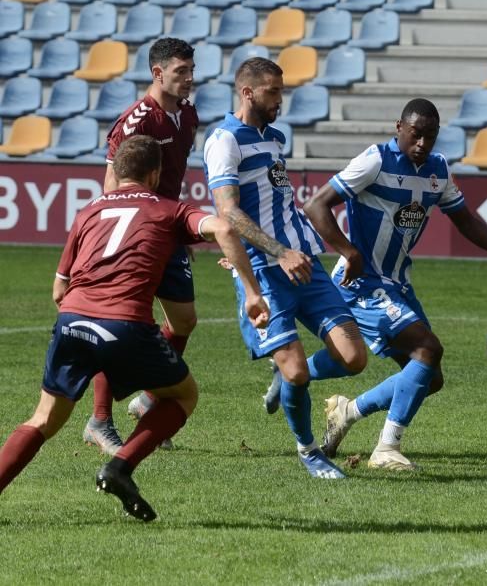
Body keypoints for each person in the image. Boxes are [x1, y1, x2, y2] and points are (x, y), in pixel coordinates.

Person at [0, 135, 267, 521]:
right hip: (124, 325)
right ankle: (120, 466)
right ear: (155, 173)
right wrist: (252, 293)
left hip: (71, 321)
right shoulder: (170, 209)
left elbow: (59, 288)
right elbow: (225, 230)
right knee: (183, 396)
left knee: (43, 419)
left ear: (117, 172)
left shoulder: (88, 210)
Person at [302, 98, 487, 471]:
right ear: (399, 127)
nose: (423, 143)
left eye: (431, 136)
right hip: (361, 281)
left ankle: (347, 411)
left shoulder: (438, 170)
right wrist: (349, 251)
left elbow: (464, 220)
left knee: (430, 377)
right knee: (428, 350)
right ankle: (386, 449)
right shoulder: (375, 160)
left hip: (396, 283)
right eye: (416, 134)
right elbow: (317, 205)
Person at [203, 57, 368, 480]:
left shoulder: (274, 138)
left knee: (354, 358)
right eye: (273, 91)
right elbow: (228, 212)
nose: (281, 100)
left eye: (282, 90)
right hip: (265, 267)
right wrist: (278, 252)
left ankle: (285, 375)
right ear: (247, 93)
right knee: (296, 370)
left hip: (303, 263)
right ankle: (310, 451)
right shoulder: (224, 139)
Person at [84, 37, 201, 455]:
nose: (189, 79)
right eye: (181, 72)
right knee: (123, 326)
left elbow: (170, 182)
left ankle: (148, 399)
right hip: (135, 236)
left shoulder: (186, 116)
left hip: (167, 232)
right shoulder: (135, 123)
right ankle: (99, 420)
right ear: (158, 73)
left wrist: (178, 232)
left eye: (191, 71)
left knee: (184, 321)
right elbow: (111, 187)